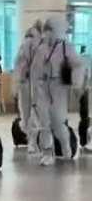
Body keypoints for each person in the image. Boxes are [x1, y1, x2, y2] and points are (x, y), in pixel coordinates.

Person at [32, 15, 84, 166]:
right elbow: (35, 70)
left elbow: (78, 65)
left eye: (50, 29)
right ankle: (47, 152)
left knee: (58, 121)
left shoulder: (66, 47)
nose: (47, 32)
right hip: (43, 86)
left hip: (58, 87)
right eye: (46, 29)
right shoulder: (41, 48)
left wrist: (76, 82)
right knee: (44, 122)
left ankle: (66, 147)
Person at [13, 21, 42, 154]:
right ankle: (32, 141)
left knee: (28, 113)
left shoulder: (25, 46)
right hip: (32, 84)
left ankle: (32, 140)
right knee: (33, 113)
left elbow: (18, 66)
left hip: (28, 83)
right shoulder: (38, 45)